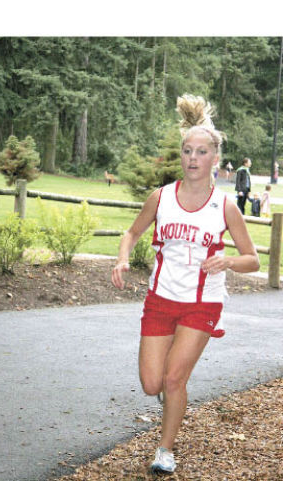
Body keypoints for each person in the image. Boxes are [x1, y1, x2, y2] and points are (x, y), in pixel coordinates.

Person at [111, 94, 259, 475]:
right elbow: (131, 232)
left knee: (174, 378)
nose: (193, 158)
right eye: (187, 151)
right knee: (150, 383)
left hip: (201, 304)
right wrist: (123, 257)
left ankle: (165, 450)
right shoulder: (160, 198)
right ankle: (168, 393)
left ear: (215, 158)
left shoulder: (225, 206)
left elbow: (253, 259)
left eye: (201, 152)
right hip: (160, 300)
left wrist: (227, 260)